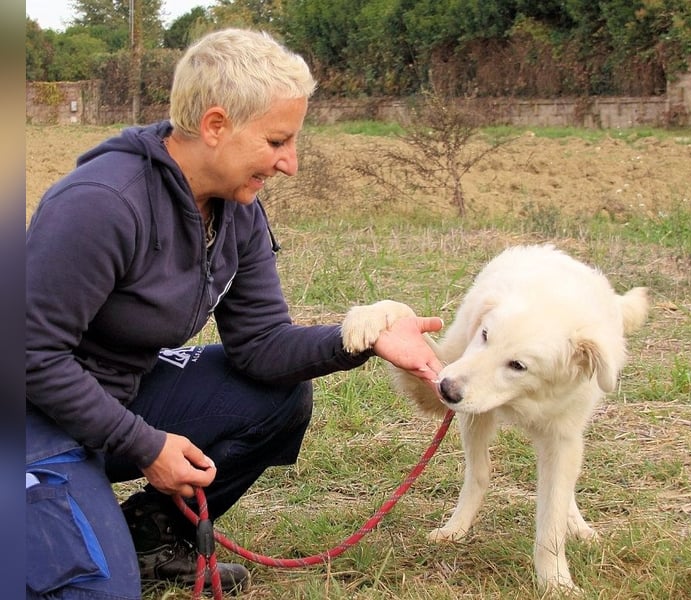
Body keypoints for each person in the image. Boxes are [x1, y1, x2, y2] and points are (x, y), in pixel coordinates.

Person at [26, 28, 444, 599]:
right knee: (94, 592)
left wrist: (362, 339)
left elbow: (262, 345)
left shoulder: (235, 209)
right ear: (216, 126)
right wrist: (145, 445)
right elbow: (29, 355)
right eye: (277, 141)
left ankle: (152, 539)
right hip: (31, 416)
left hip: (111, 398)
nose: (290, 163)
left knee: (277, 396)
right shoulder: (102, 203)